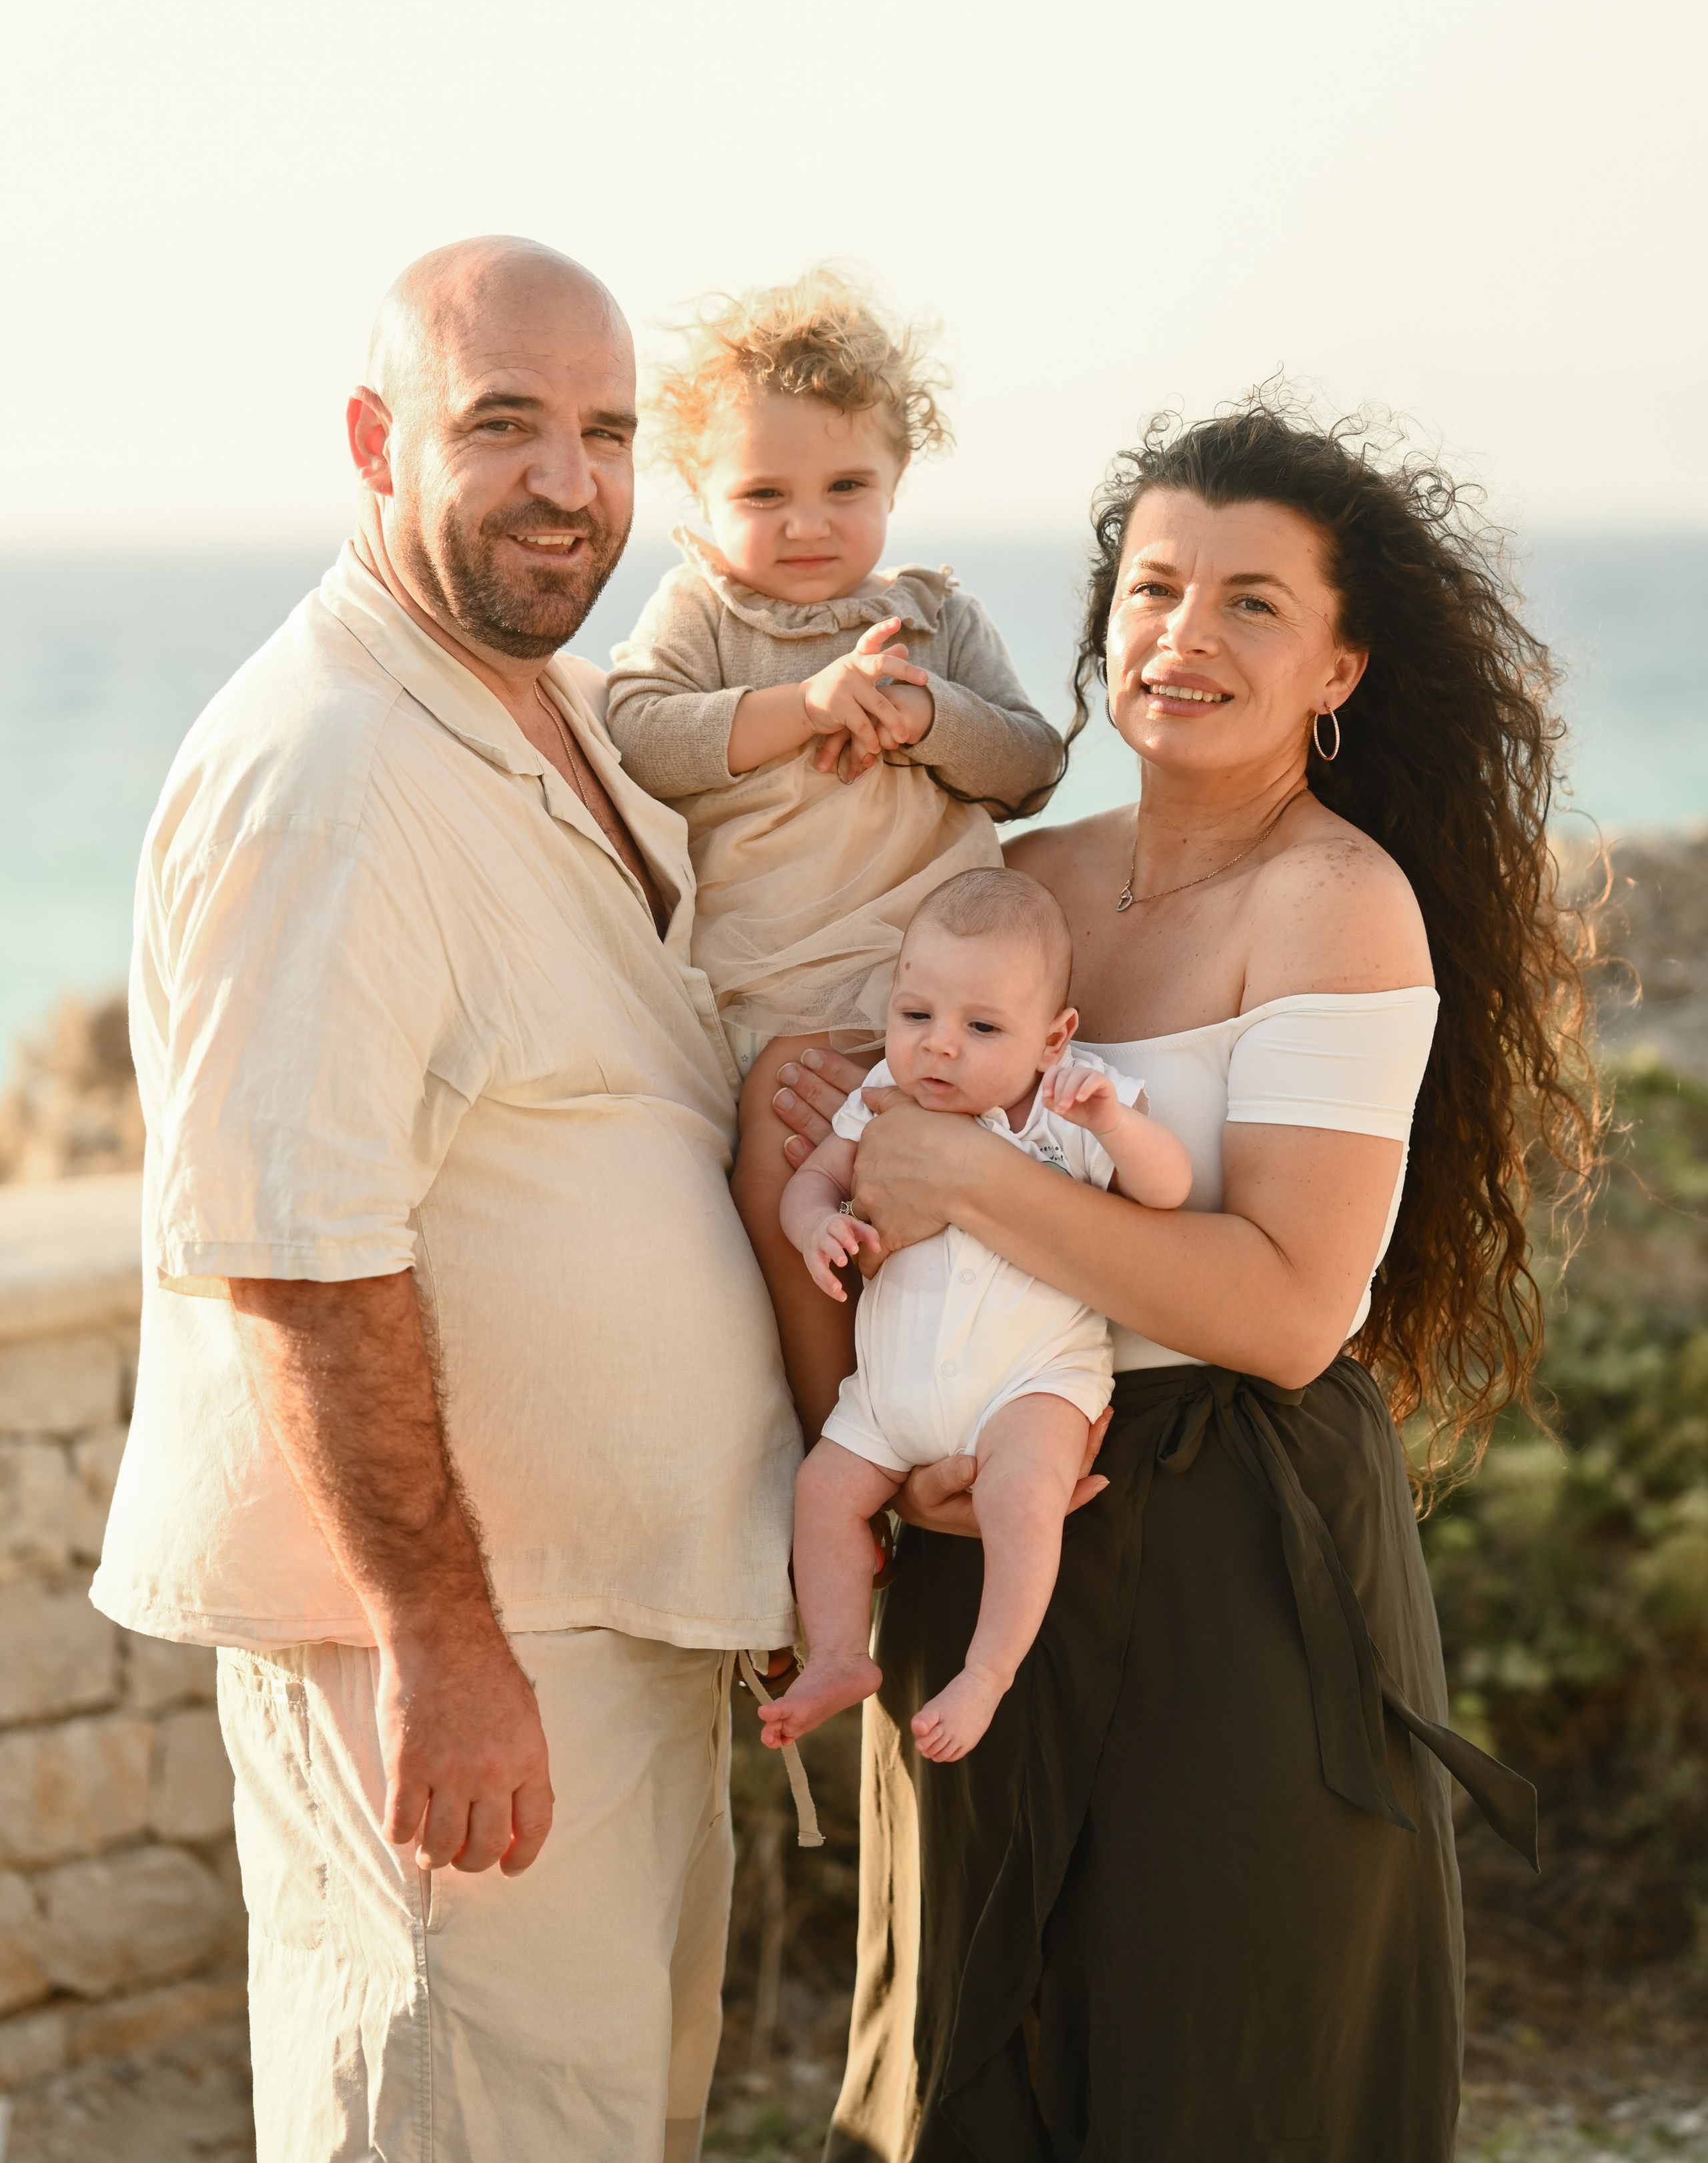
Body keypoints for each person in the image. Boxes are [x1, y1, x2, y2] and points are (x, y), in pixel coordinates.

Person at [759, 400, 1598, 2162]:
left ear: (1340, 668)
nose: (1184, 637)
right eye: (1153, 589)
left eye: (1251, 606)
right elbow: (872, 1185)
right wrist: (894, 1432)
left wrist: (972, 1174)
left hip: (1237, 1559)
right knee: (963, 2077)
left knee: (1219, 2072)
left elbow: (1290, 1307)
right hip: (979, 1547)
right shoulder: (1017, 887)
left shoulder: (1337, 903)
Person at [91, 237, 803, 2163]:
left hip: (604, 1631)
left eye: (601, 432)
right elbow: (293, 1244)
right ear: (372, 442)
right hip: (474, 1660)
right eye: (500, 426)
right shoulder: (331, 766)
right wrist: (442, 1642)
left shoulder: (545, 709)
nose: (568, 482)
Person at [605, 270, 1063, 1438]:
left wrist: (929, 719)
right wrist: (805, 707)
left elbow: (1031, 764)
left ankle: (985, 1420)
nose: (808, 524)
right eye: (765, 493)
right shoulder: (704, 615)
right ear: (702, 501)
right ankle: (837, 1437)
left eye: (846, 486)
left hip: (940, 999)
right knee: (790, 1179)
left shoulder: (934, 622)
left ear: (897, 480)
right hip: (788, 1002)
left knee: (971, 1221)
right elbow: (639, 734)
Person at [761, 868, 1190, 1764]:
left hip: (1027, 1382)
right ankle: (840, 1652)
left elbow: (1168, 1189)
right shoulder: (882, 1090)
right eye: (917, 1015)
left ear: (1053, 1038)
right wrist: (818, 1228)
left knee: (1027, 1491)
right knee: (825, 1492)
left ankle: (988, 1672)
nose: (939, 1049)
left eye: (982, 1027)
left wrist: (1115, 1125)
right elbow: (812, 1182)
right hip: (890, 1398)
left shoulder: (1070, 1102)